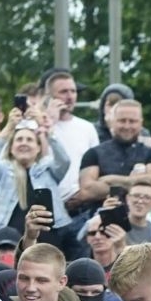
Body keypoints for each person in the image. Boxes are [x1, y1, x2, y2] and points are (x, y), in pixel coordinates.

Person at [0, 114, 71, 241]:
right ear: (11, 148)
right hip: (9, 240)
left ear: (38, 148)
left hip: (47, 237)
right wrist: (7, 129)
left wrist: (49, 132)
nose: (24, 143)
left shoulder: (48, 169)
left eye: (29, 140)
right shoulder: (2, 171)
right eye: (19, 139)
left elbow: (64, 160)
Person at [74, 101, 151, 218]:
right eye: (122, 120)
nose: (127, 126)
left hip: (142, 223)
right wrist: (132, 182)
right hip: (101, 223)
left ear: (141, 123)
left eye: (132, 121)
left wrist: (109, 180)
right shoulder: (94, 153)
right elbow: (87, 191)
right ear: (111, 122)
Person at [43, 70, 99, 203]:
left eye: (73, 91)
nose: (70, 97)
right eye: (63, 92)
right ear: (49, 96)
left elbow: (96, 165)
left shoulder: (87, 128)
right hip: (49, 202)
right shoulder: (37, 125)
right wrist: (50, 121)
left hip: (80, 204)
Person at [121, 180, 151, 246]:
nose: (140, 201)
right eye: (136, 196)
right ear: (127, 198)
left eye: (147, 198)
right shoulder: (115, 225)